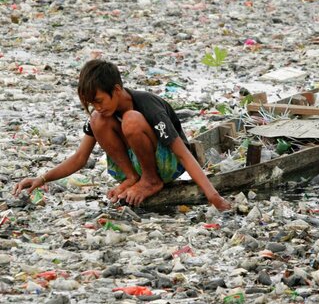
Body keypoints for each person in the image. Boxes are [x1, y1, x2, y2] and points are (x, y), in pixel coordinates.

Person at [12, 59, 231, 211]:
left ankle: (151, 180)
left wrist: (213, 196)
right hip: (136, 166)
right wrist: (41, 179)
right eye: (91, 103)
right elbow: (80, 158)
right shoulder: (101, 114)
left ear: (116, 90)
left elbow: (183, 153)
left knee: (131, 120)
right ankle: (133, 177)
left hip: (167, 165)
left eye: (99, 100)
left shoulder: (148, 106)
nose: (97, 107)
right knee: (97, 121)